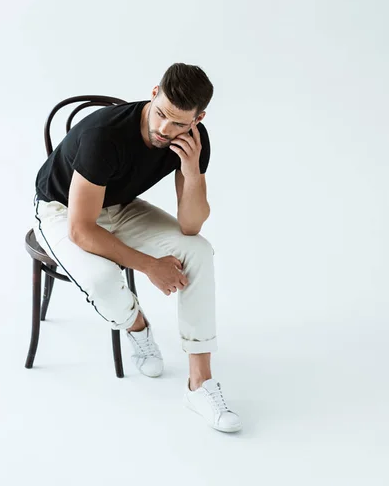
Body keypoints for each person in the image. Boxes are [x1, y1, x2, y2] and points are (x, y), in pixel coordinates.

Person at [33, 62, 242, 433]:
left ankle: (200, 383)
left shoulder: (194, 140)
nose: (165, 129)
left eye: (179, 123)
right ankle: (138, 326)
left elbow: (191, 226)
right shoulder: (105, 135)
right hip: (62, 210)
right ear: (154, 92)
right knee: (100, 279)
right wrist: (149, 265)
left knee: (200, 251)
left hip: (119, 205)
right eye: (161, 114)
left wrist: (192, 171)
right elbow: (81, 230)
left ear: (199, 118)